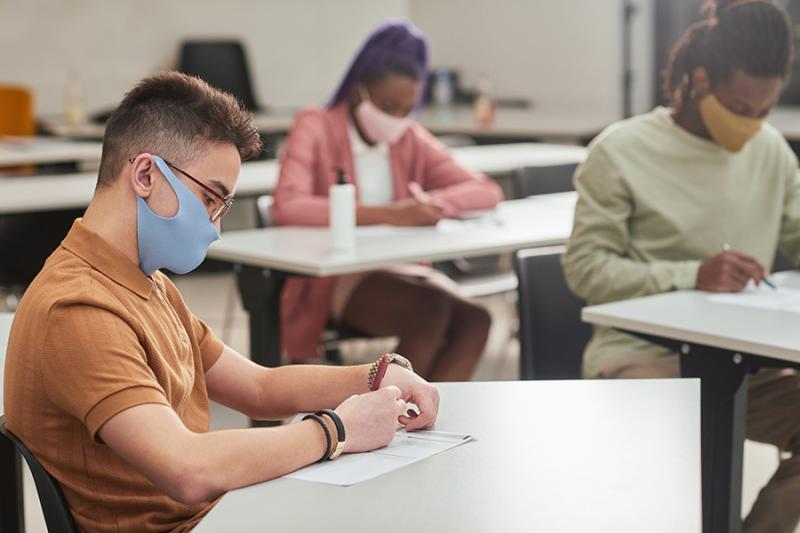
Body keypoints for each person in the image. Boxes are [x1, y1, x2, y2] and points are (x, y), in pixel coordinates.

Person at [3, 72, 439, 532]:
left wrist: (375, 376)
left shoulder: (144, 282)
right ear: (146, 174)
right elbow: (187, 468)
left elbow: (259, 389)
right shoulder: (78, 309)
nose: (214, 227)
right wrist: (337, 430)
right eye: (210, 199)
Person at [562, 1, 800, 531]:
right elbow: (584, 270)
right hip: (642, 360)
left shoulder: (771, 152)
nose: (752, 125)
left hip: (748, 364)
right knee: (672, 490)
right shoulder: (621, 150)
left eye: (764, 111)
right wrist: (692, 273)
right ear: (698, 79)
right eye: (739, 107)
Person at [271, 21, 504, 381]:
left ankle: (429, 419)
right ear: (359, 91)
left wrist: (431, 205)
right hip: (335, 273)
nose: (396, 119)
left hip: (399, 266)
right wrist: (394, 215)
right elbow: (287, 205)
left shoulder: (407, 136)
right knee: (430, 310)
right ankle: (387, 415)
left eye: (406, 109)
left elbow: (486, 190)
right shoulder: (315, 124)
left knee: (476, 319)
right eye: (389, 106)